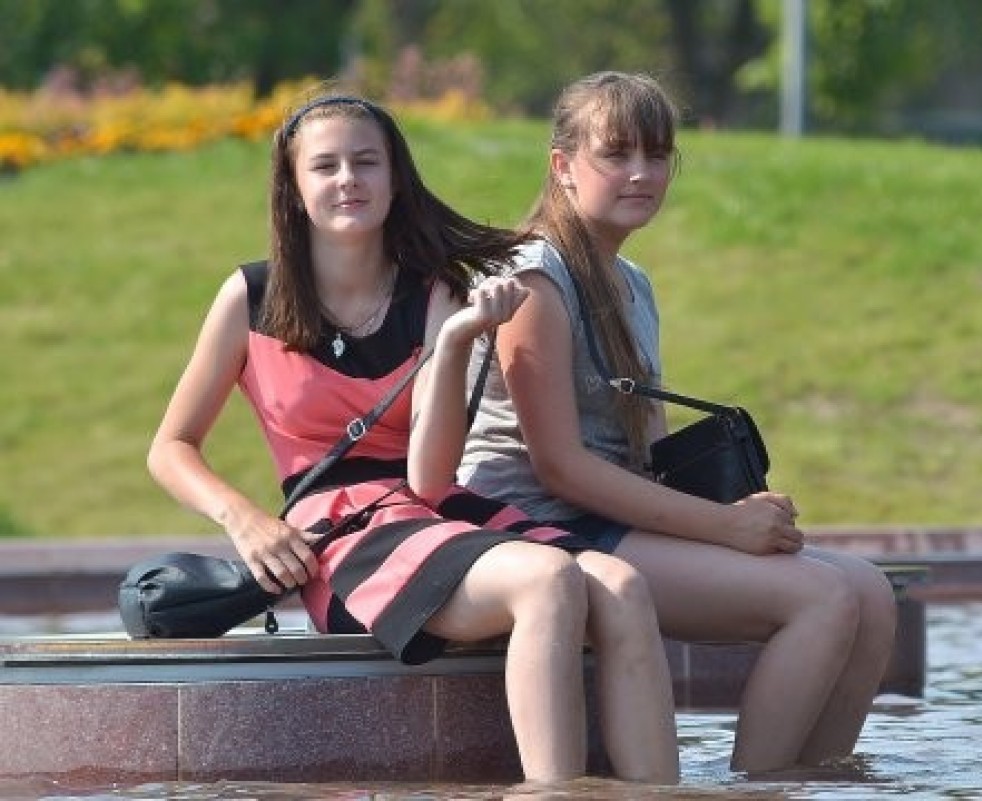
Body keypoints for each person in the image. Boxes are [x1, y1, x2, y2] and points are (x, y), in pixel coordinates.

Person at [146, 90, 678, 785]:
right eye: (326, 166)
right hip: (339, 534)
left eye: (367, 162)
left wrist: (453, 343)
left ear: (396, 178)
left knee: (625, 586)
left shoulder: (435, 294)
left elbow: (430, 479)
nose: (349, 180)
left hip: (434, 506)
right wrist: (245, 520)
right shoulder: (250, 297)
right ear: (293, 186)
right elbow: (171, 447)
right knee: (547, 580)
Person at [459, 71, 897, 775]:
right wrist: (724, 529)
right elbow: (558, 467)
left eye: (657, 155)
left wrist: (741, 514)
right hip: (536, 524)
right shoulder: (534, 278)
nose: (641, 172)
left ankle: (816, 780)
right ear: (563, 165)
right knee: (822, 597)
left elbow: (651, 454)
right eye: (616, 153)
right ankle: (760, 786)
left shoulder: (633, 283)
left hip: (610, 516)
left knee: (871, 591)